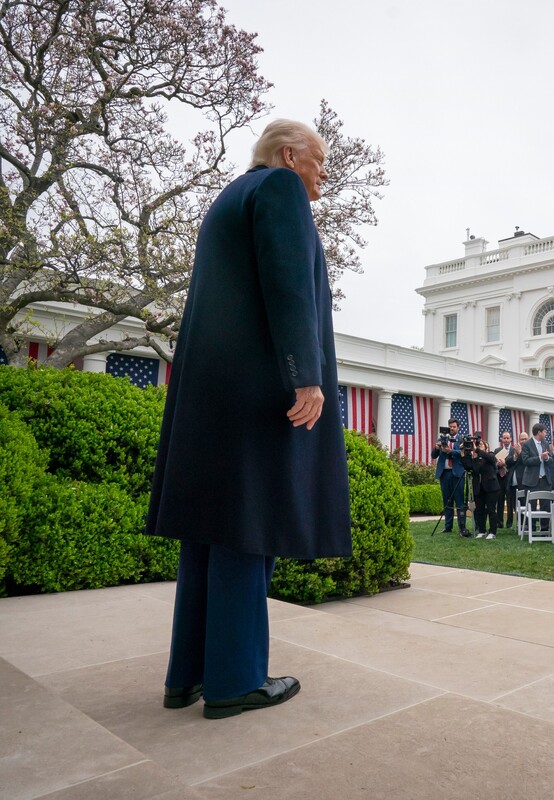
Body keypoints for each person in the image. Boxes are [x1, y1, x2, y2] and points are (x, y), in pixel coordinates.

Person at [147, 119, 349, 719]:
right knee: (247, 522)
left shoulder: (230, 196)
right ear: (289, 156)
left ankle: (187, 676)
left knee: (208, 530)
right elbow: (288, 283)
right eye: (319, 158)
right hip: (259, 391)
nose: (324, 171)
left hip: (213, 391)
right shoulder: (279, 189)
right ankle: (235, 680)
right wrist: (305, 373)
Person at [433, 418, 468, 535]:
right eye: (450, 426)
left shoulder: (462, 439)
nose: (452, 428)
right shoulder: (442, 439)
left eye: (454, 427)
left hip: (457, 474)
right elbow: (433, 455)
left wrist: (450, 451)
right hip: (444, 473)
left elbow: (464, 454)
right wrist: (436, 448)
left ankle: (462, 527)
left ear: (458, 427)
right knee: (447, 501)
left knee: (459, 501)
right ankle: (448, 527)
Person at [460, 436, 501, 539]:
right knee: (479, 510)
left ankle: (492, 532)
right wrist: (463, 452)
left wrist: (477, 450)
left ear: (486, 447)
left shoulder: (490, 455)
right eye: (478, 445)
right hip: (479, 488)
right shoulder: (475, 460)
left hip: (491, 488)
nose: (478, 446)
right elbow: (467, 466)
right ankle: (482, 530)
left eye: (481, 445)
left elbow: (491, 459)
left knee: (491, 509)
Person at [521, 423, 554, 532]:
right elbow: (525, 461)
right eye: (544, 431)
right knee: (532, 506)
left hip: (545, 479)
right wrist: (540, 458)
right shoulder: (527, 444)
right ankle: (532, 529)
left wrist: (547, 458)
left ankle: (544, 530)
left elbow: (551, 460)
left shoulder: (546, 444)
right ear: (539, 432)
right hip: (531, 480)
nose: (546, 433)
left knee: (546, 505)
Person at [493, 432, 517, 528]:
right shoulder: (497, 450)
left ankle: (509, 523)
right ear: (502, 439)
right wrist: (497, 465)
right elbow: (494, 464)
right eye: (504, 438)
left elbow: (515, 463)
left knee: (510, 501)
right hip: (500, 478)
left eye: (507, 438)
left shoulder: (514, 450)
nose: (506, 440)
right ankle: (499, 522)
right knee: (500, 500)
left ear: (511, 439)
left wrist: (505, 463)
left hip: (510, 477)